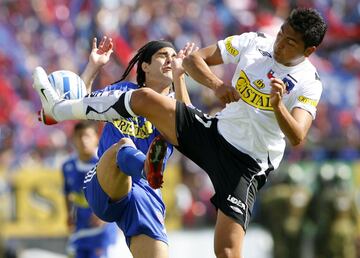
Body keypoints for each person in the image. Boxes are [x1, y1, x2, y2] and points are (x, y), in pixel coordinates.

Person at [33, 8, 327, 258]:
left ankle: (146, 165)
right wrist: (216, 85)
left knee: (226, 251)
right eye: (281, 34)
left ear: (308, 50)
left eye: (289, 42)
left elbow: (298, 135)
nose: (279, 44)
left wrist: (277, 105)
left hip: (242, 166)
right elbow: (195, 60)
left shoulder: (308, 83)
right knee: (137, 115)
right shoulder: (255, 42)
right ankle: (58, 111)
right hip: (210, 135)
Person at [54, 36, 196, 258]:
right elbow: (80, 105)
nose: (170, 60)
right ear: (145, 66)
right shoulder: (122, 92)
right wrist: (93, 66)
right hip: (103, 183)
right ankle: (147, 166)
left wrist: (180, 78)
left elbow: (190, 131)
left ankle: (147, 169)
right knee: (124, 145)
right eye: (162, 55)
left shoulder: (174, 105)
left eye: (173, 56)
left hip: (145, 193)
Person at [62, 121, 118, 258]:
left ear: (96, 138)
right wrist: (69, 214)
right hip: (80, 230)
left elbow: (119, 191)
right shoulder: (67, 166)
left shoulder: (105, 163)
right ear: (73, 139)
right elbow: (67, 192)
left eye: (87, 136)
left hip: (102, 232)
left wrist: (106, 214)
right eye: (79, 136)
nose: (83, 140)